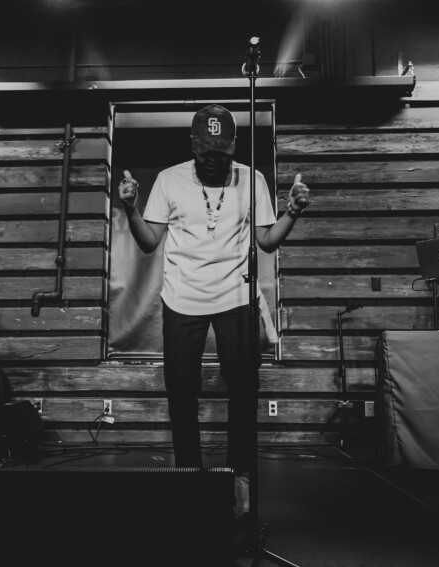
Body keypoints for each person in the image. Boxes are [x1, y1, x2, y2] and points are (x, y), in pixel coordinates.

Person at [117, 104, 310, 519]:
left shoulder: (252, 178)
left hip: (235, 299)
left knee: (244, 393)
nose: (214, 160)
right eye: (206, 153)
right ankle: (189, 475)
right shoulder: (170, 179)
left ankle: (239, 478)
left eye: (221, 153)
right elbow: (150, 242)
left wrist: (292, 212)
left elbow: (268, 242)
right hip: (182, 299)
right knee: (182, 393)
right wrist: (130, 208)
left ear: (233, 147)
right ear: (193, 146)